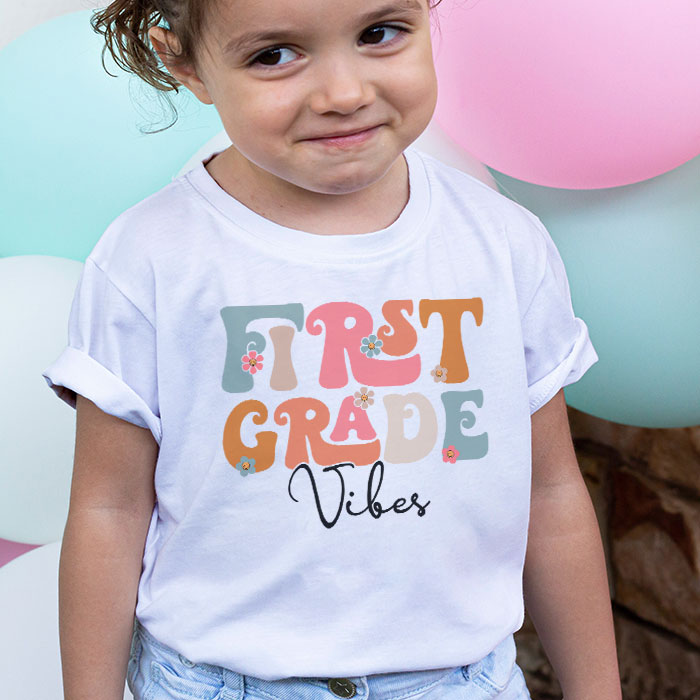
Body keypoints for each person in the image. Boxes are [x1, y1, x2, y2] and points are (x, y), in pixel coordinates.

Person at [41, 0, 623, 698]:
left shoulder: (503, 243)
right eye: (273, 55)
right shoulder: (151, 257)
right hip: (220, 683)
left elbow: (550, 491)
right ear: (184, 62)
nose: (343, 94)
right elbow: (109, 511)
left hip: (461, 682)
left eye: (379, 33)